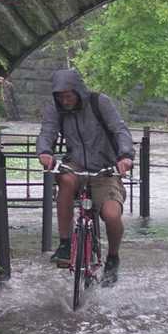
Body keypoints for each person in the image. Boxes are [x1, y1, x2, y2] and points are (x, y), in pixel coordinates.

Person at [36, 69, 134, 285]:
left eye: (68, 95)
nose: (65, 100)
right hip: (76, 164)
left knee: (111, 215)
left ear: (79, 91)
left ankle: (113, 257)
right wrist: (44, 151)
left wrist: (125, 156)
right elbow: (48, 131)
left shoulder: (100, 103)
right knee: (66, 180)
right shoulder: (56, 108)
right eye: (60, 96)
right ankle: (65, 243)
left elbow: (120, 129)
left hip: (105, 168)